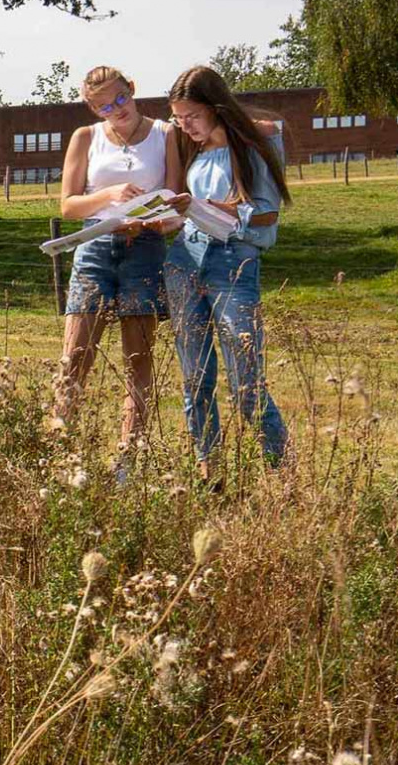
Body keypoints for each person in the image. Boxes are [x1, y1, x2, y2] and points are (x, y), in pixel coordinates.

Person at [56, 65, 186, 478]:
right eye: (104, 107)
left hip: (145, 248)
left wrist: (154, 221)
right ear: (94, 110)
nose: (115, 110)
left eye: (120, 99)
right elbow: (68, 205)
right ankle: (58, 453)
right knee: (75, 357)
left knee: (138, 359)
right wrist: (110, 195)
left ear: (132, 88)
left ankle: (126, 460)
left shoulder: (167, 134)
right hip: (94, 246)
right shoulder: (85, 138)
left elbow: (176, 203)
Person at [165, 65, 291, 480]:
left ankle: (282, 471)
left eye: (193, 117)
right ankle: (209, 470)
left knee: (245, 381)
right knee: (194, 376)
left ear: (217, 108)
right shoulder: (194, 152)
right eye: (179, 120)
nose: (186, 127)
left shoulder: (252, 146)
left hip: (232, 262)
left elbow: (267, 213)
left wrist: (209, 207)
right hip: (184, 260)